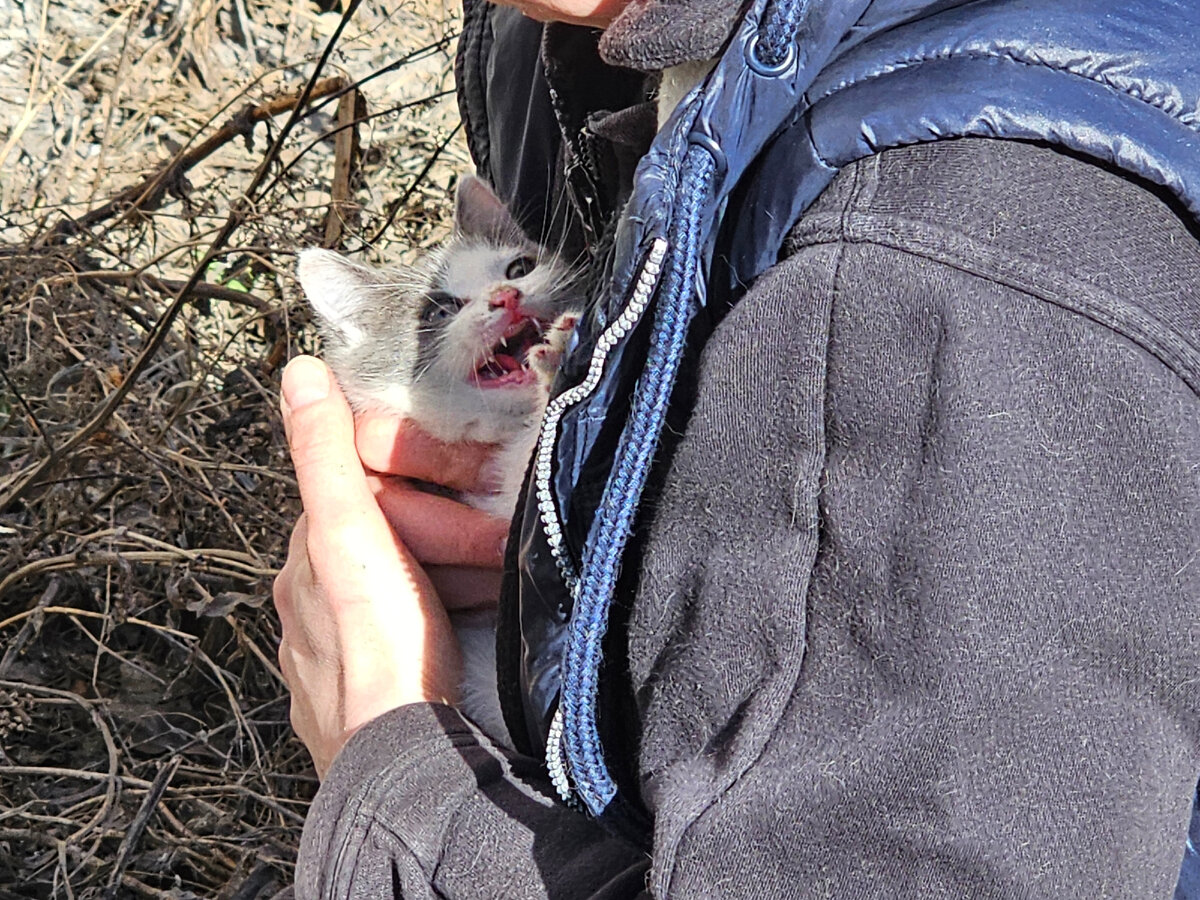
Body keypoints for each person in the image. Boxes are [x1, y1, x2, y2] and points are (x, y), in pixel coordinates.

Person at [274, 0, 1200, 895]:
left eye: (515, 271)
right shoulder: (575, 49)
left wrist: (395, 768)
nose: (507, 296)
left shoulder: (935, 259)